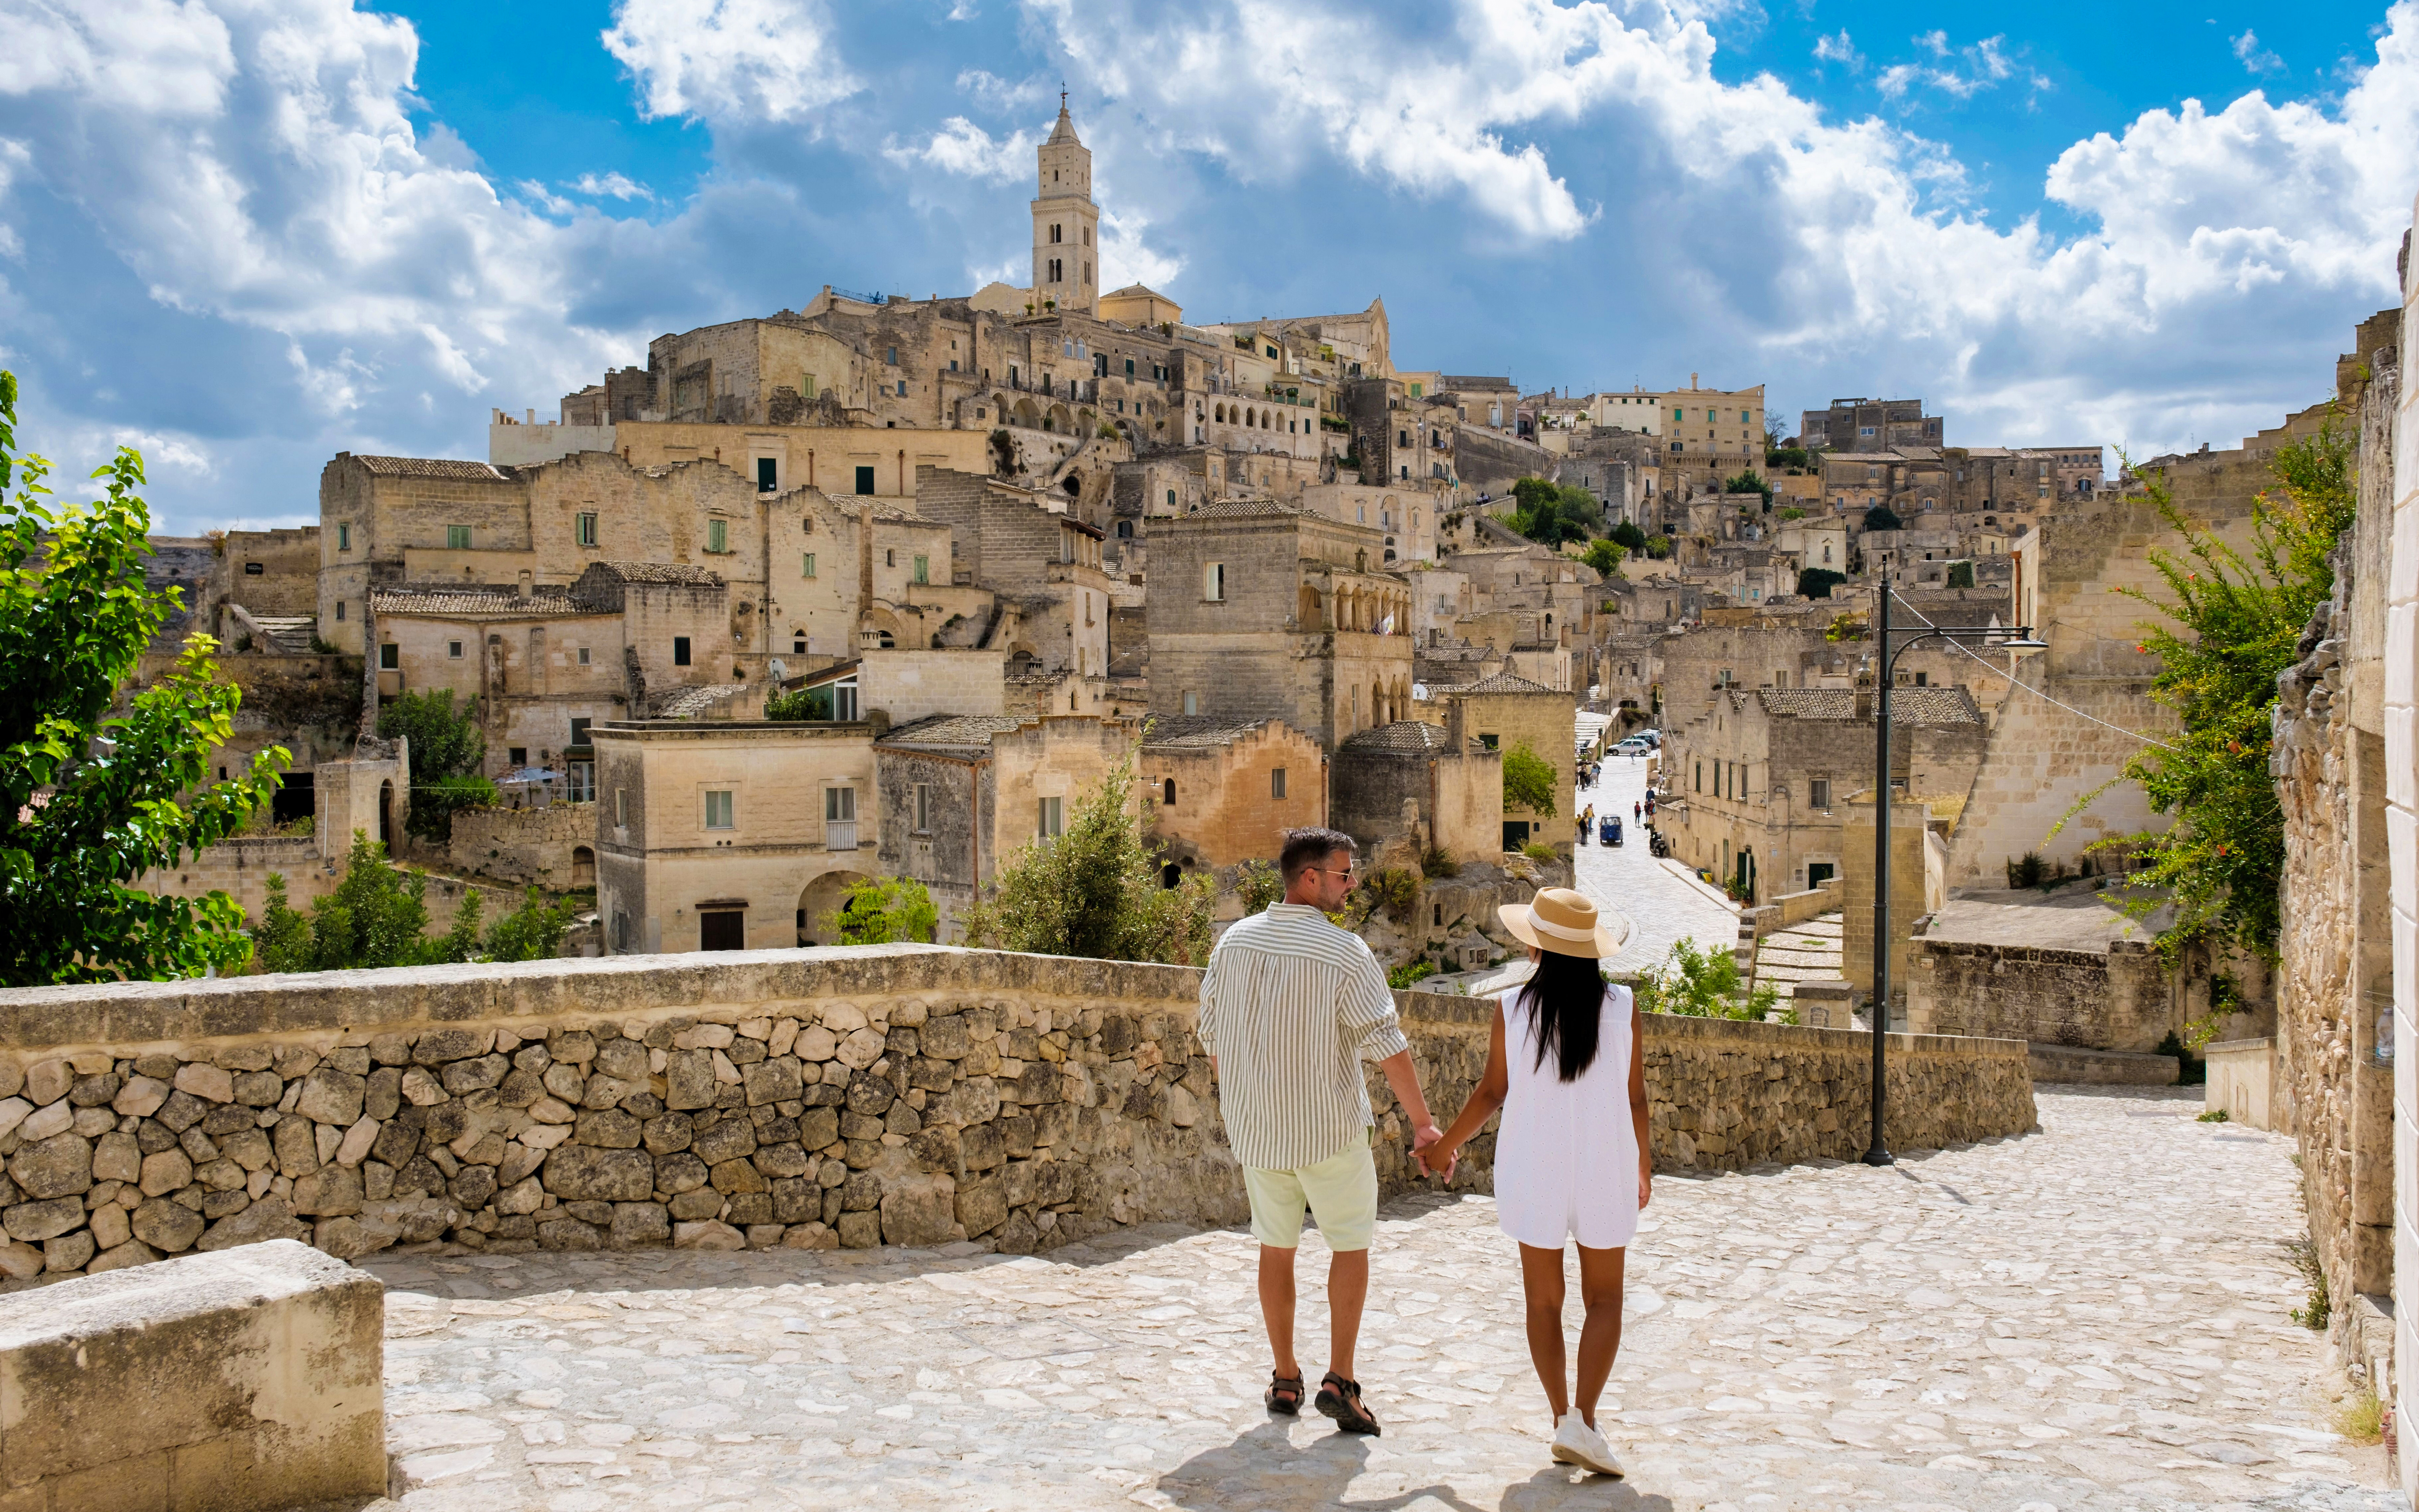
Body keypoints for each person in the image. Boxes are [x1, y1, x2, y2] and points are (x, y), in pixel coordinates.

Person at [1197, 827, 1446, 1437]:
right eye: (1343, 875)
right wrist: (1423, 1125)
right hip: (1329, 1128)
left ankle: (1285, 1377)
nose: (1352, 885)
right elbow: (1389, 1045)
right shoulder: (1345, 953)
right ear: (1309, 878)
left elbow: (1212, 1035)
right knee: (1350, 1244)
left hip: (1260, 1130)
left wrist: (1245, 1099)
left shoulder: (1234, 944)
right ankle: (1341, 1379)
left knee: (1275, 1248)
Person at [1422, 888, 1646, 1478]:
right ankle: (1585, 1419)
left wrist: (1445, 1146)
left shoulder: (1512, 1009)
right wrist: (1643, 1166)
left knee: (1544, 1302)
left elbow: (1492, 1092)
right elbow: (1636, 1097)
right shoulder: (1623, 1007)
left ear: (1537, 945)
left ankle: (1560, 1420)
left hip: (1535, 1165)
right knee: (1605, 1300)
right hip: (1606, 1162)